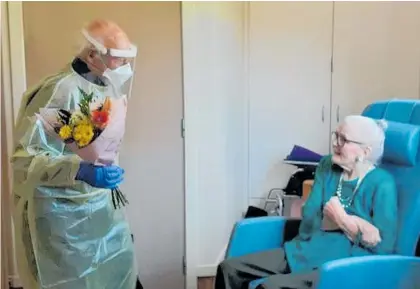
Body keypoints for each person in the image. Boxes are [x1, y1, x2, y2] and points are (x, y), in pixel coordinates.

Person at [11, 19, 143, 289]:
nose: (124, 68)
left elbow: (92, 143)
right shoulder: (58, 92)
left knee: (117, 271)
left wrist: (103, 169)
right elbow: (25, 159)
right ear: (93, 54)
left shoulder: (106, 88)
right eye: (118, 59)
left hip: (100, 209)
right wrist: (79, 171)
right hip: (61, 220)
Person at [215, 115, 398, 289]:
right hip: (304, 249)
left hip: (341, 264)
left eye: (343, 139)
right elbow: (309, 216)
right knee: (228, 269)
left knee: (268, 287)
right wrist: (358, 225)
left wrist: (341, 219)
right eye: (336, 136)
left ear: (365, 152)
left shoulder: (383, 184)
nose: (335, 143)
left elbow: (383, 247)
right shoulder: (327, 166)